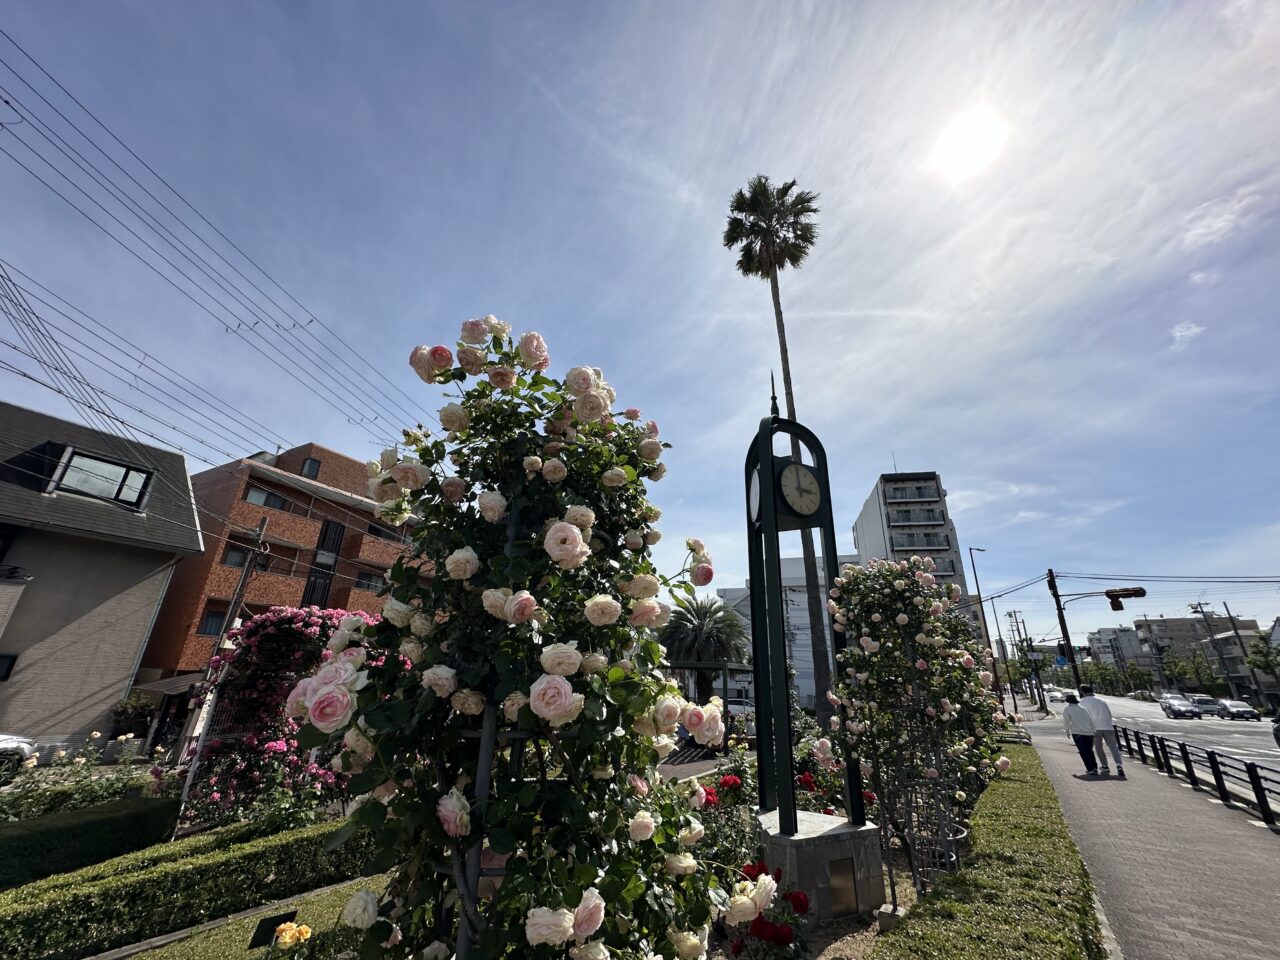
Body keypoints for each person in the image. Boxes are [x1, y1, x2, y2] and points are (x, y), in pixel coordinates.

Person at [1079, 684, 1125, 779]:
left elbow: (1083, 716)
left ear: (1082, 692)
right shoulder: (1101, 700)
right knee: (1113, 747)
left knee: (1099, 748)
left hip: (1094, 727)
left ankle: (1105, 766)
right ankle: (1119, 765)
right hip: (1108, 726)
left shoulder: (1082, 702)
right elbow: (1109, 714)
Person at [1062, 693, 1098, 775]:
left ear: (1068, 701)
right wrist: (1094, 730)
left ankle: (1090, 769)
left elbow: (1066, 721)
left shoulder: (1068, 709)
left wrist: (1067, 731)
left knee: (1083, 752)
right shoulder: (1083, 708)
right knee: (1089, 751)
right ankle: (1094, 768)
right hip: (1089, 733)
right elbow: (1091, 719)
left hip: (1078, 732)